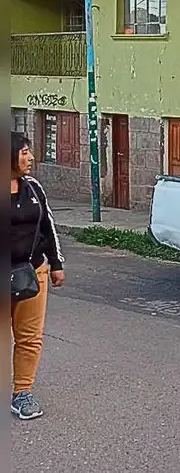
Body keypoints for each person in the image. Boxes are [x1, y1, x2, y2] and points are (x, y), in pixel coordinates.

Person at [10, 131, 66, 420]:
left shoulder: (32, 188)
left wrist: (56, 264)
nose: (30, 157)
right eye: (24, 152)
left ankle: (22, 393)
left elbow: (47, 226)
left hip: (32, 272)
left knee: (30, 337)